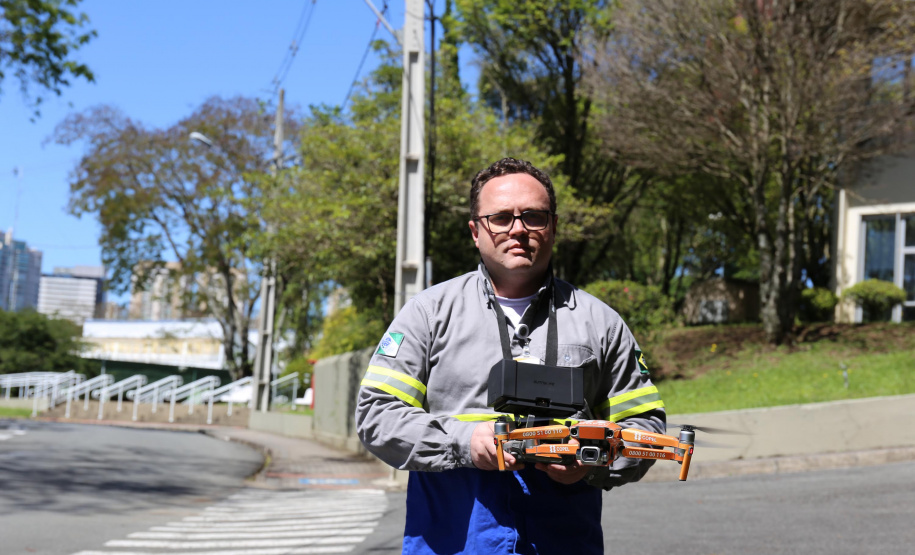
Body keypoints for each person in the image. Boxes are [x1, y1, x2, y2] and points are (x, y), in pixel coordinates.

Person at [355, 157, 666, 555]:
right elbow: (377, 413)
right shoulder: (428, 313)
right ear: (475, 231)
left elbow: (648, 425)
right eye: (500, 218)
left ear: (553, 226)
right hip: (453, 543)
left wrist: (593, 462)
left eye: (533, 216)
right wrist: (464, 442)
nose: (518, 229)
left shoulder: (600, 322)